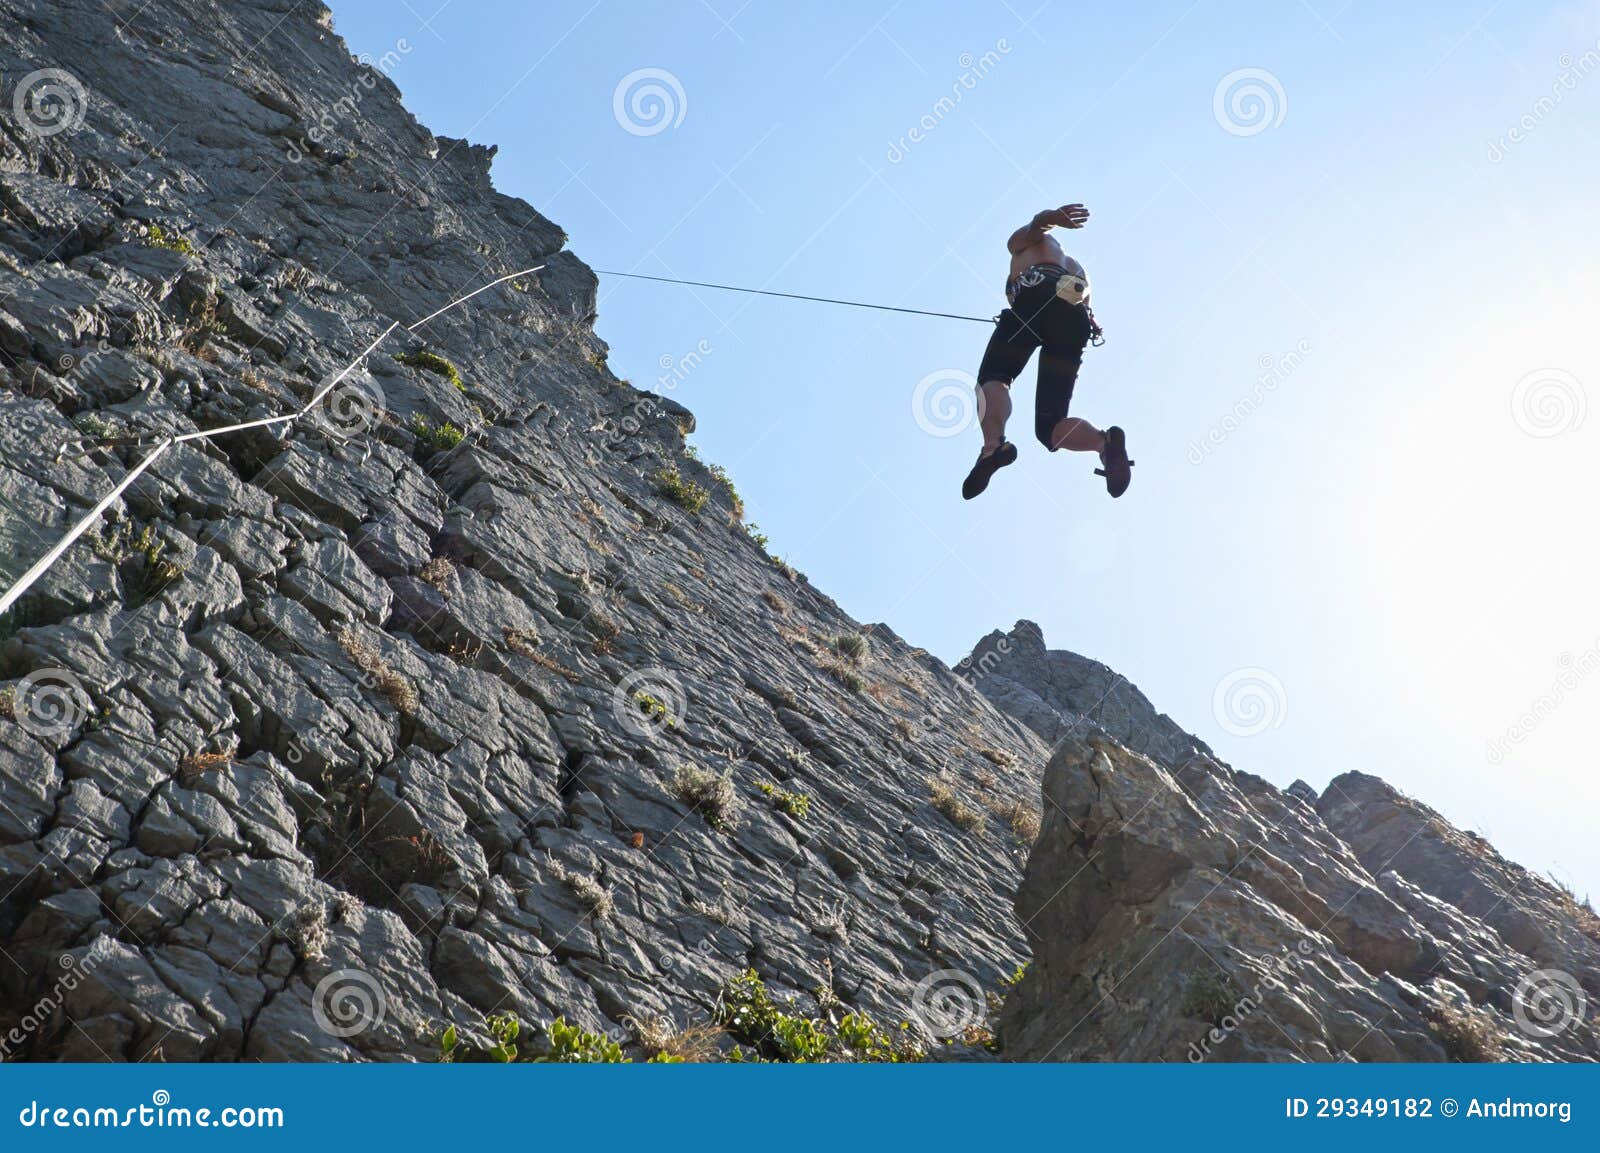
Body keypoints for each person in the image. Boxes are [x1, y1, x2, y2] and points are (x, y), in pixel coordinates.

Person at [961, 203, 1132, 500]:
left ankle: (992, 448)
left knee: (995, 377)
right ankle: (1105, 445)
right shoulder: (1079, 269)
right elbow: (1084, 311)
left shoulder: (1035, 243)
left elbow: (1035, 227)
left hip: (1036, 298)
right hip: (1073, 318)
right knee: (1050, 429)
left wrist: (1050, 218)